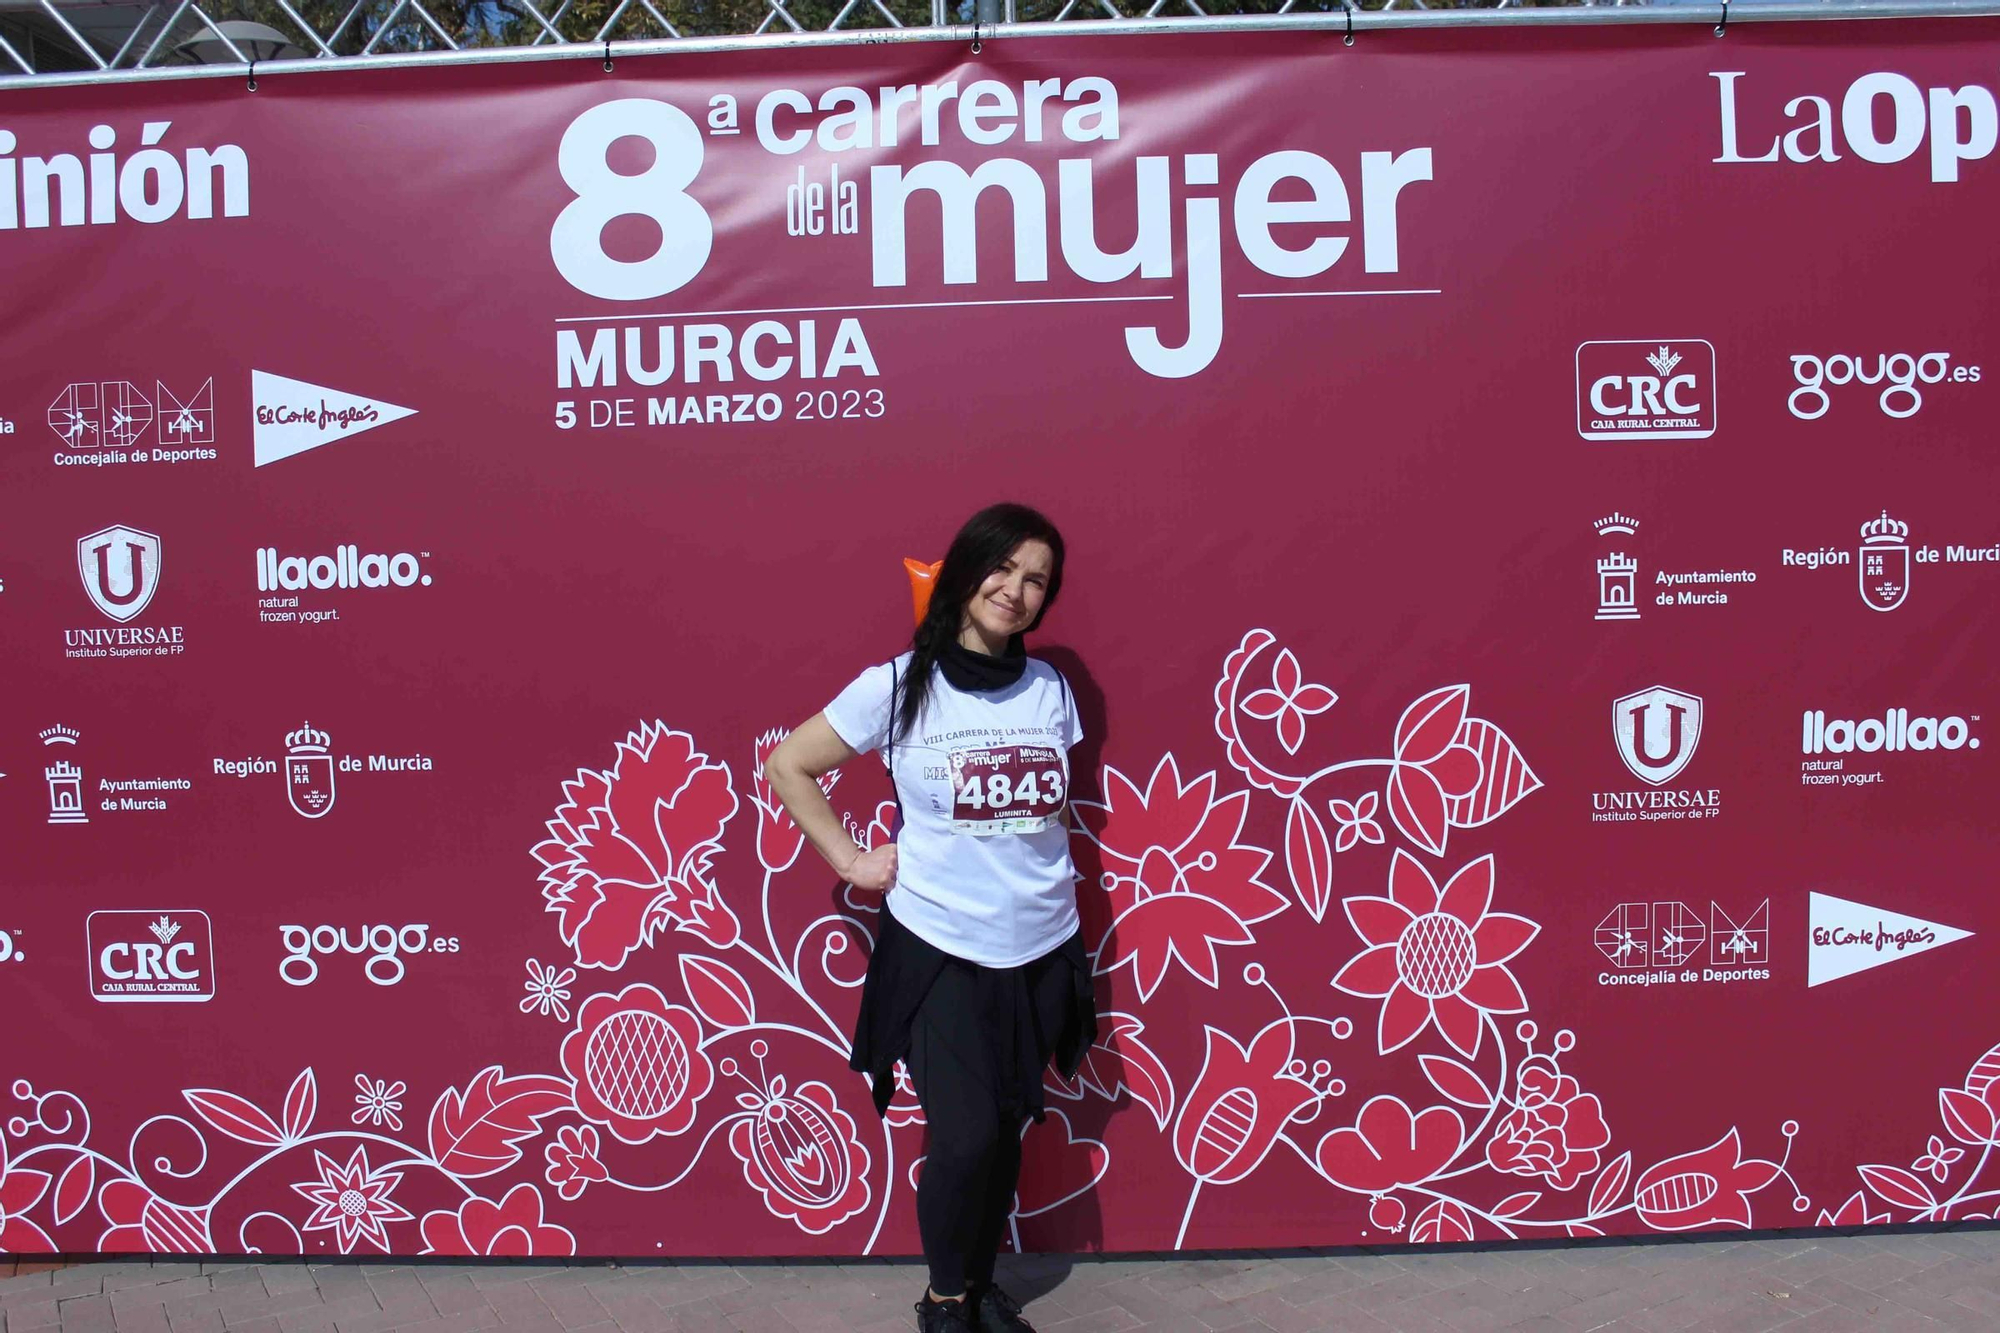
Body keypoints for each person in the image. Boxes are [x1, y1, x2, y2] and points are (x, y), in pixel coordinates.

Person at [764, 502, 1097, 1333]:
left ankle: (982, 1288)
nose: (1016, 592)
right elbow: (790, 763)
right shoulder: (897, 685)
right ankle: (945, 1298)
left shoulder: (1051, 689)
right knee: (964, 1135)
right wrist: (851, 860)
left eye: (1036, 581)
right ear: (964, 569)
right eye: (1004, 569)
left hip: (1042, 945)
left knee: (1008, 1126)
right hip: (943, 943)